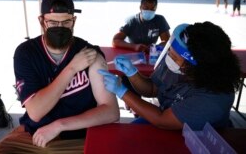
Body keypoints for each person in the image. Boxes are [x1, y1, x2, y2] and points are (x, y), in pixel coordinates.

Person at [0, 0, 119, 153]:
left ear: (73, 21)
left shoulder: (90, 54)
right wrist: (72, 68)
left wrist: (59, 125)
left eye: (66, 22)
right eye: (53, 22)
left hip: (79, 137)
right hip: (36, 134)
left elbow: (111, 111)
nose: (60, 28)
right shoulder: (26, 53)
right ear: (42, 21)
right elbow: (36, 112)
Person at [99, 21, 241, 130]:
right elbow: (153, 89)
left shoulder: (213, 98)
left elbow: (162, 120)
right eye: (170, 52)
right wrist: (132, 73)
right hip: (165, 118)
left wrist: (122, 92)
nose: (168, 58)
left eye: (174, 57)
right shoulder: (179, 66)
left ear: (196, 67)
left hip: (200, 138)